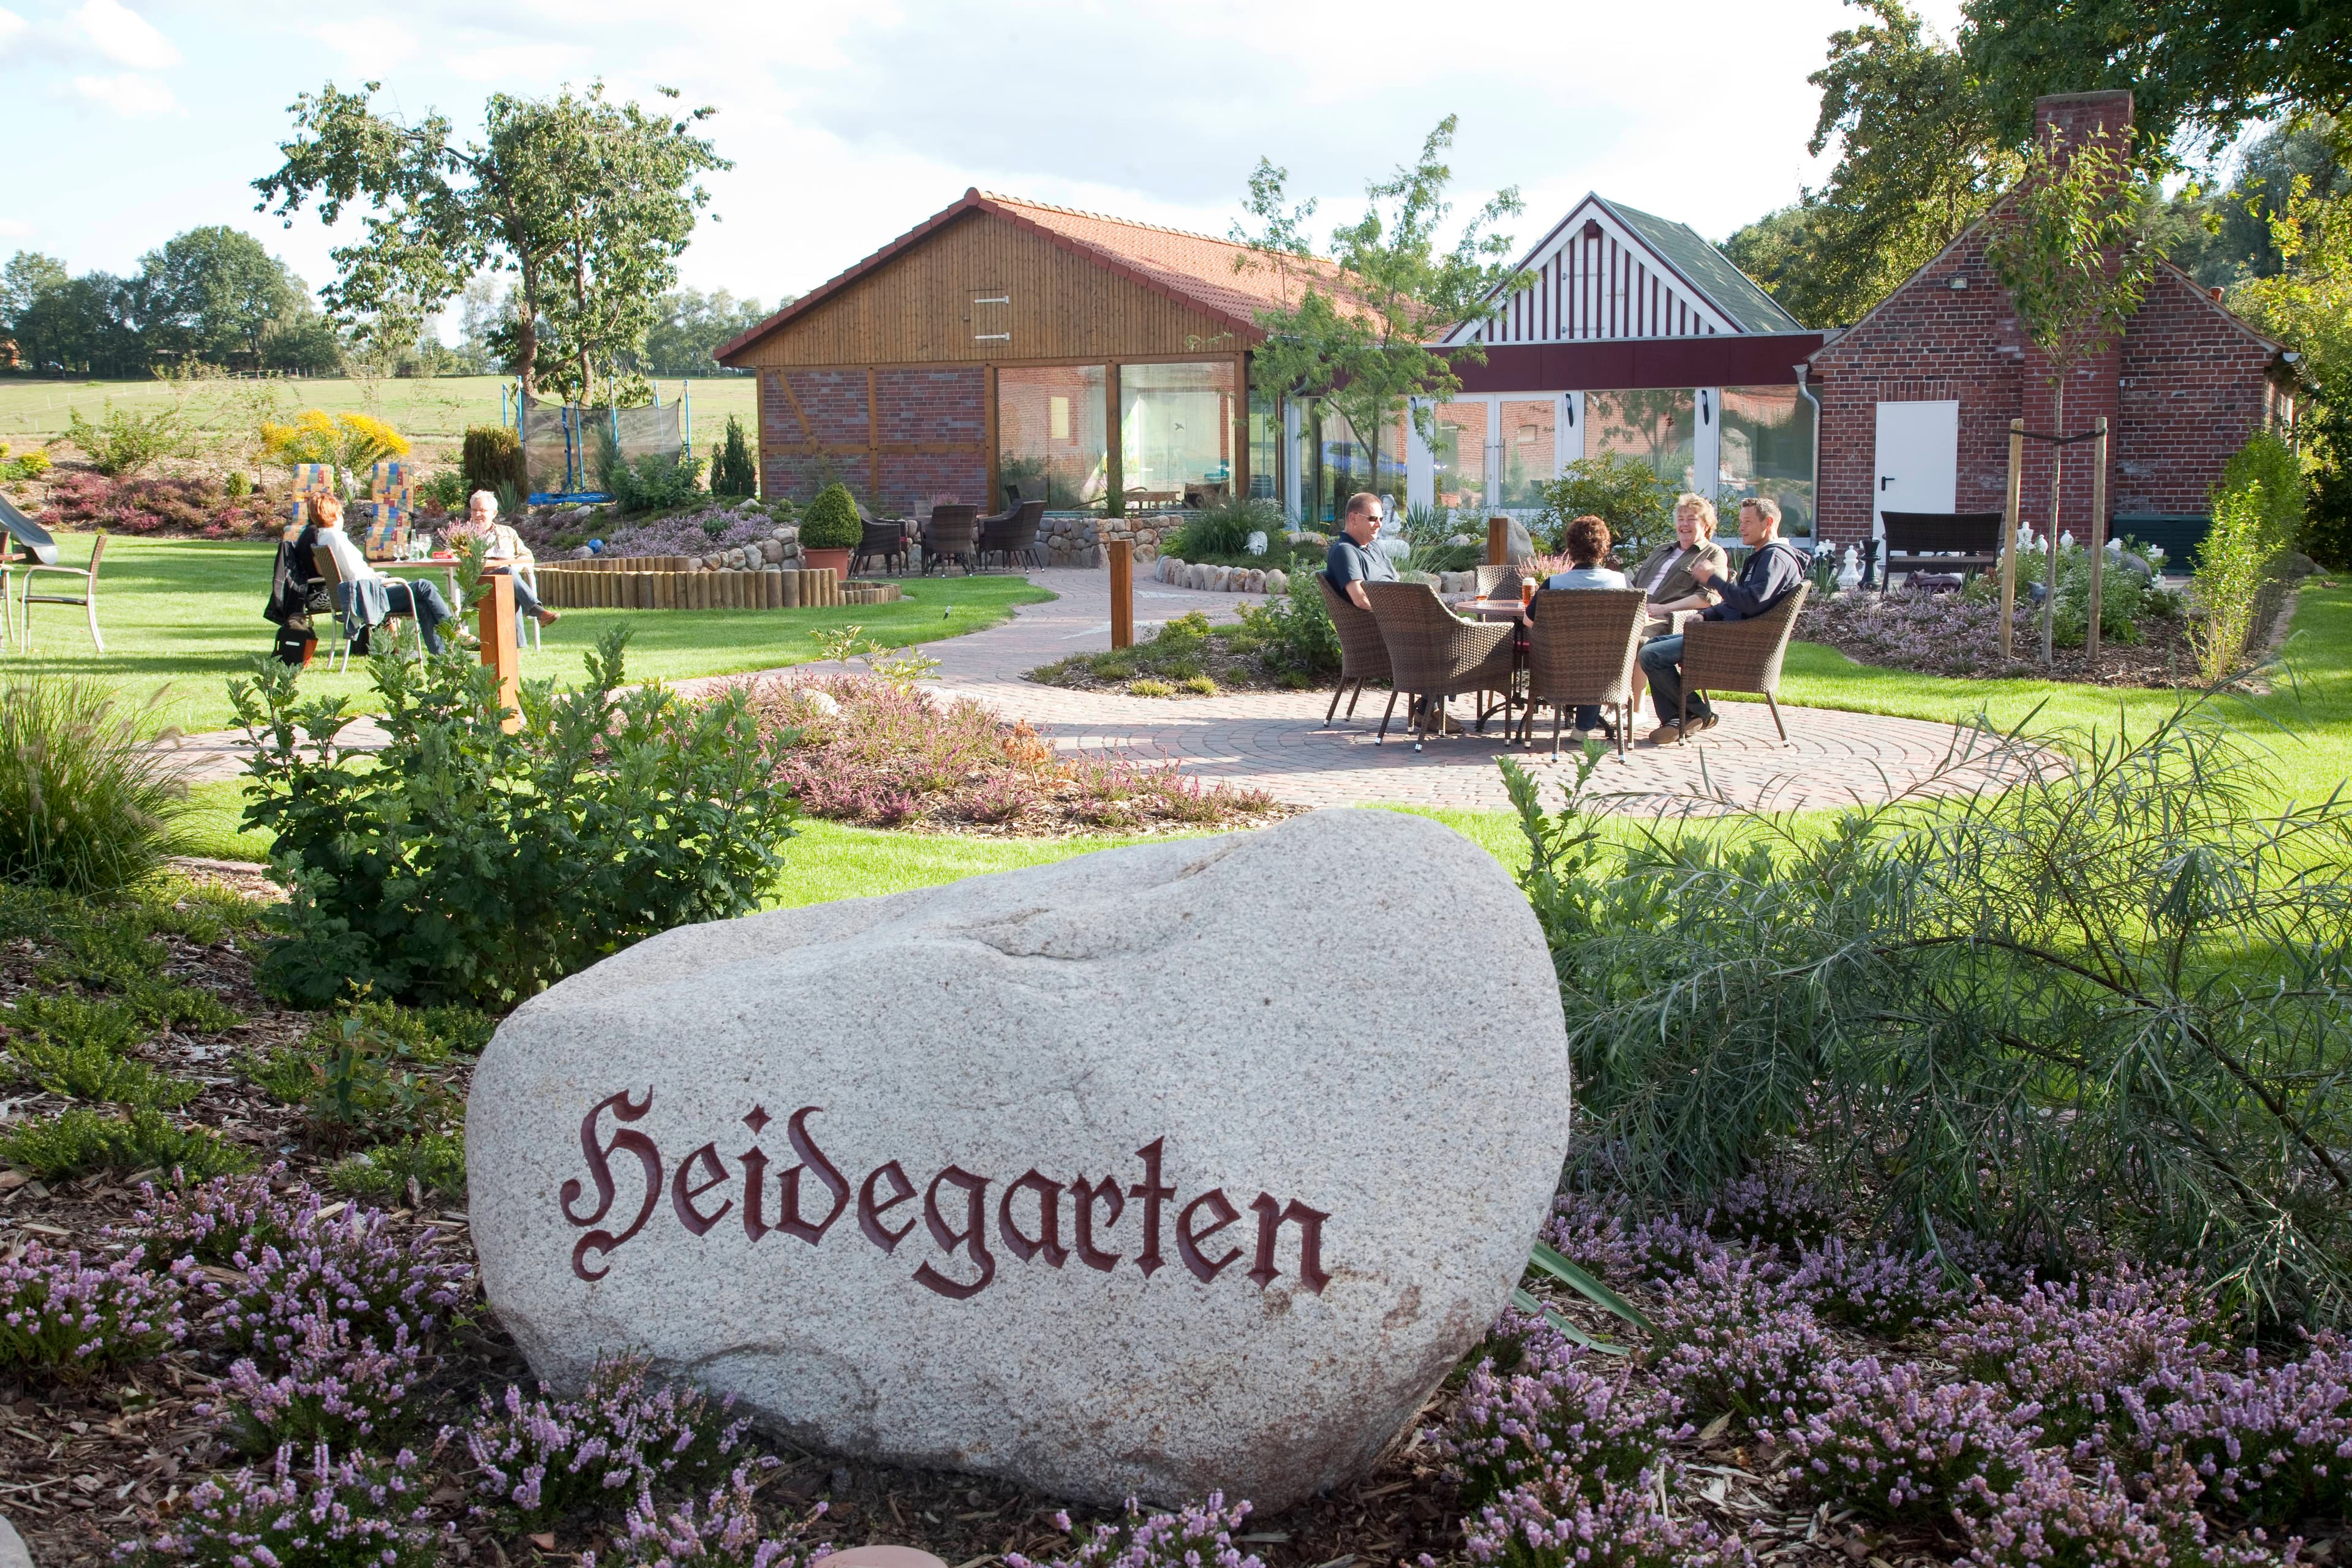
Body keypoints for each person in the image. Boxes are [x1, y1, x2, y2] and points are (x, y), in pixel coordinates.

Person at [1636, 496, 1807, 745]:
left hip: (1736, 641)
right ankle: (1678, 718)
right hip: (1727, 632)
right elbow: (1737, 602)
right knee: (1654, 645)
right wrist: (1706, 614)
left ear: (1768, 523)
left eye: (1747, 522)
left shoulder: (1775, 559)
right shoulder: (1764, 556)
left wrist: (1712, 579)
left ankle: (1697, 713)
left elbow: (1751, 602)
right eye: (1740, 522)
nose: (1741, 528)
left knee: (1651, 654)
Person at [310, 493, 469, 655]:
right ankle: (454, 629)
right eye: (341, 513)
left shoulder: (324, 538)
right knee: (424, 586)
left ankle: (441, 655)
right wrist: (384, 581)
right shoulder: (336, 540)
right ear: (335, 514)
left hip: (357, 596)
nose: (342, 516)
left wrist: (382, 577)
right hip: (364, 597)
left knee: (421, 603)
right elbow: (357, 576)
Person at [1545, 514, 1630, 737]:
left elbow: (1529, 620)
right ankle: (1583, 726)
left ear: (1570, 548)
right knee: (1596, 650)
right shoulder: (1621, 582)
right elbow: (1641, 618)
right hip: (1607, 666)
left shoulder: (1554, 584)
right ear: (1604, 547)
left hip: (1559, 665)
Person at [1628, 495, 1732, 632]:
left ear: (1706, 526)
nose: (1684, 524)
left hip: (1663, 621)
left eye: (1691, 519)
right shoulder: (1660, 550)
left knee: (1631, 639)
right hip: (1635, 616)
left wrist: (1664, 608)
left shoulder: (1712, 553)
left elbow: (1707, 598)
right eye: (1680, 519)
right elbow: (1634, 586)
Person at [468, 490, 559, 628]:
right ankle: (538, 612)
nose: (477, 514)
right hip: (476, 583)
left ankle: (515, 647)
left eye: (482, 510)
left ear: (494, 513)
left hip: (504, 581)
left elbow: (527, 557)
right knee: (508, 576)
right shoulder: (462, 534)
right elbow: (449, 560)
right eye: (474, 510)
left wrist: (513, 567)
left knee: (509, 581)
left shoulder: (508, 533)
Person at [1322, 492, 1396, 610]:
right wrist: (1399, 609)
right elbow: (1361, 600)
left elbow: (1397, 583)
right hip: (1383, 623)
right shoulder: (1344, 551)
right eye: (1373, 519)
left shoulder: (1375, 547)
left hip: (1401, 617)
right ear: (1353, 518)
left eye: (1381, 519)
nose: (1379, 524)